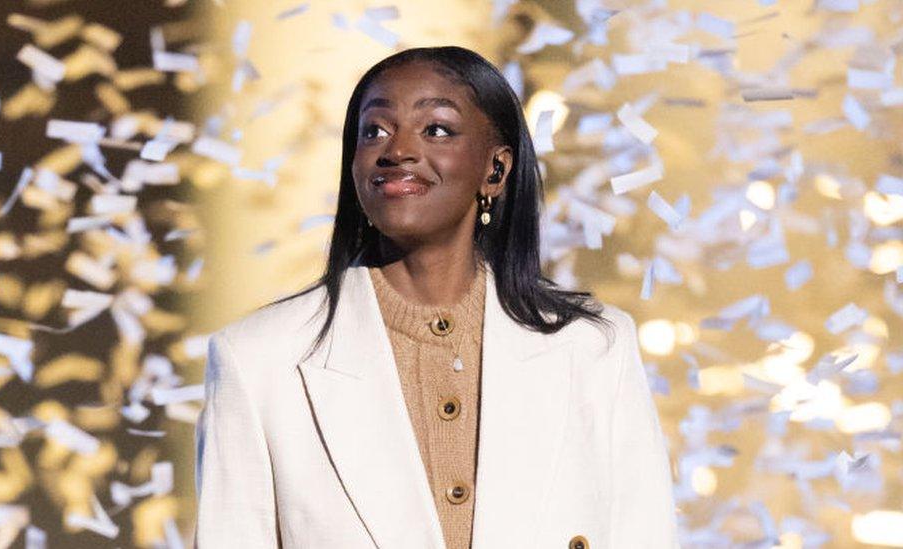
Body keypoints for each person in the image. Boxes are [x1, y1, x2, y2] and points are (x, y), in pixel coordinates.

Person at [194, 45, 679, 549]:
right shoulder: (259, 360)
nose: (397, 150)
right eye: (374, 131)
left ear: (495, 169)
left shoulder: (594, 345)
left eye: (437, 130)